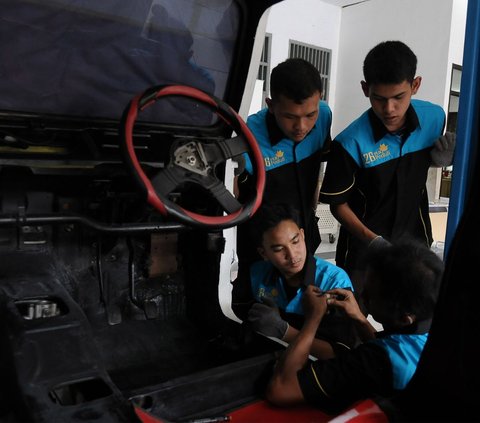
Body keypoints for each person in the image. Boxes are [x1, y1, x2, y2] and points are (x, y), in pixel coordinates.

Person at [318, 40, 455, 311]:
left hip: (414, 242)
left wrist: (439, 161)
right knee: (352, 317)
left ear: (415, 85)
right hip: (363, 251)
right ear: (365, 89)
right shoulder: (350, 142)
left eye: (399, 97)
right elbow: (338, 205)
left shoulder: (434, 118)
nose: (389, 109)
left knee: (412, 315)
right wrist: (373, 240)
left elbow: (416, 170)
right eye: (379, 99)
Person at [264, 238, 444, 413]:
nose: (361, 297)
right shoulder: (433, 321)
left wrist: (313, 318)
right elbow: (393, 347)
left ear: (404, 318)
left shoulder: (373, 361)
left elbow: (281, 390)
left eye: (369, 296)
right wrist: (359, 318)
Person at [236, 58, 332, 270]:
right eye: (290, 116)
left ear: (320, 100)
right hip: (261, 251)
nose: (302, 126)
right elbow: (235, 195)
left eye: (310, 115)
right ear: (270, 105)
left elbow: (316, 174)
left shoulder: (324, 116)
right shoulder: (247, 135)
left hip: (305, 238)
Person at [231, 203, 357, 350]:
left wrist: (284, 331)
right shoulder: (256, 274)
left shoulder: (334, 282)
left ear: (302, 235)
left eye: (295, 241)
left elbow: (340, 354)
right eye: (279, 249)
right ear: (263, 253)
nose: (292, 255)